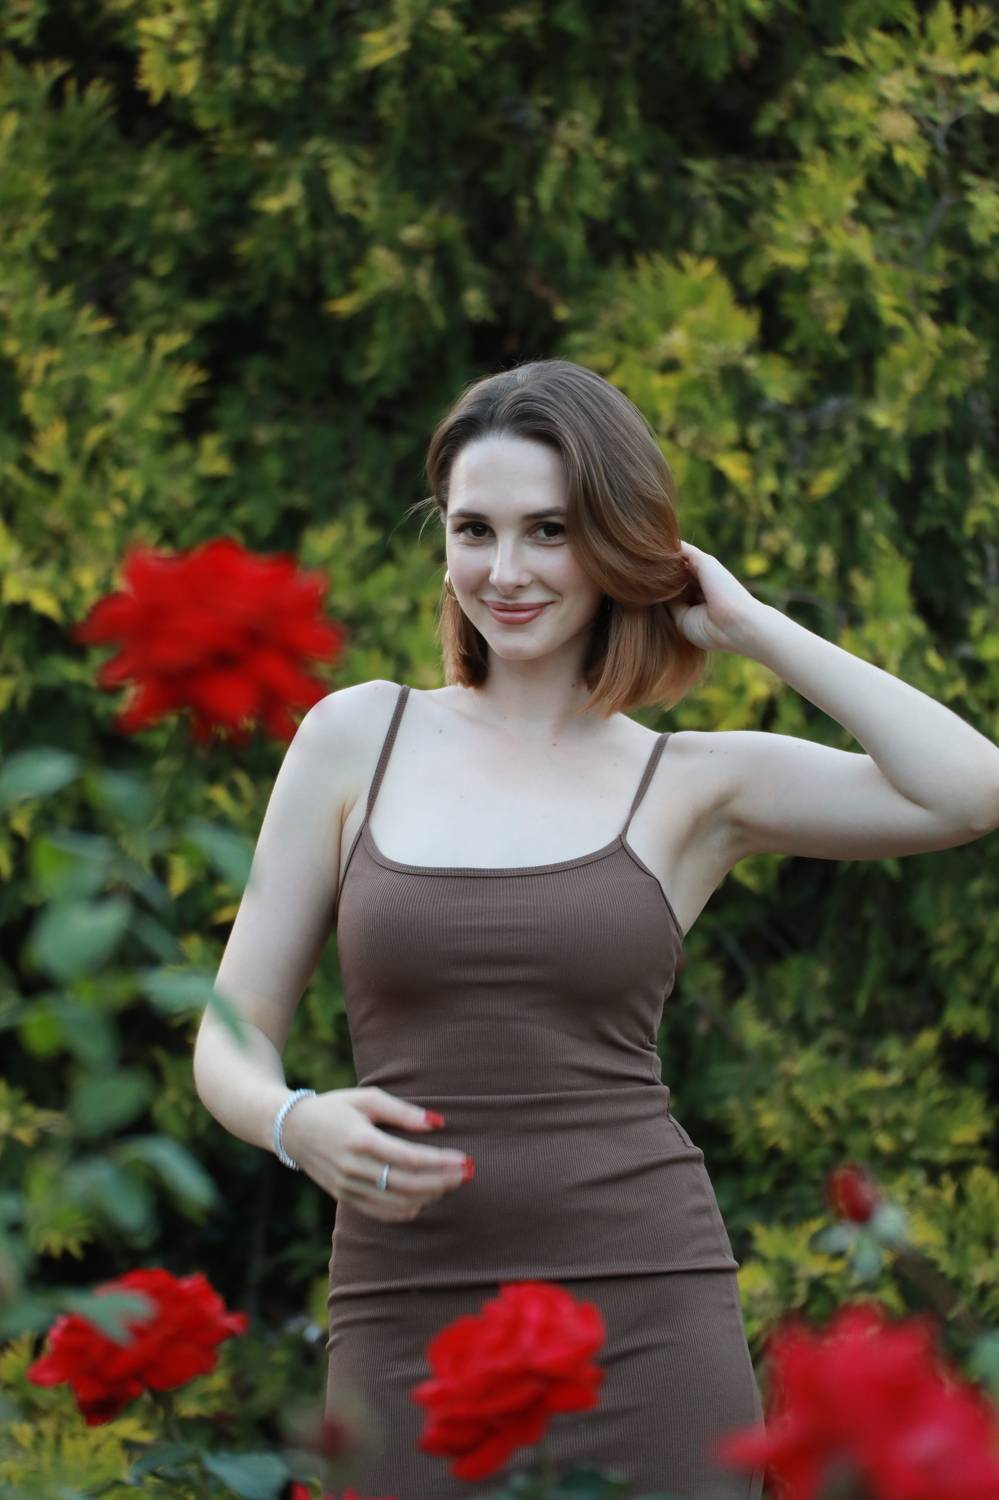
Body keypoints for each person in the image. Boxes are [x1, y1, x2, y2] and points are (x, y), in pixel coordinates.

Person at [193, 360, 999, 1499]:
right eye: (474, 530)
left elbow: (970, 790)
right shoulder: (354, 738)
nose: (505, 572)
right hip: (406, 1306)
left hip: (647, 1311)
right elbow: (228, 1035)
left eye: (550, 532)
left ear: (615, 542)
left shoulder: (694, 783)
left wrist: (753, 627)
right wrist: (294, 1123)